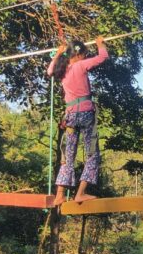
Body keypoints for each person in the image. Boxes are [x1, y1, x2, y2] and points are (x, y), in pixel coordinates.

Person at [46, 36, 108, 206]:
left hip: (71, 117)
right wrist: (100, 44)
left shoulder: (62, 69)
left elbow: (49, 71)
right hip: (86, 115)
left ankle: (59, 195)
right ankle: (80, 193)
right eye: (85, 54)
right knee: (92, 154)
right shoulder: (81, 65)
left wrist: (57, 55)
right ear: (80, 55)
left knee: (68, 155)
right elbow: (103, 57)